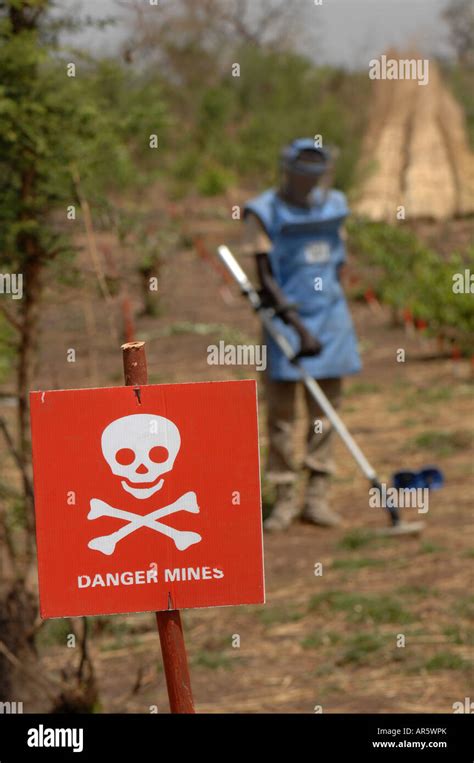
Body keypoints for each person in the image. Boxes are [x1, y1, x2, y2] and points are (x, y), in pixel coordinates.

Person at [241, 137, 361, 532]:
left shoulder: (336, 206)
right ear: (288, 172)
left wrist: (324, 316)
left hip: (330, 319)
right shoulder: (263, 211)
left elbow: (337, 263)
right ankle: (284, 497)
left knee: (324, 415)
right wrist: (298, 327)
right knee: (281, 418)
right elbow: (265, 278)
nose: (309, 185)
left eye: (316, 177)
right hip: (285, 324)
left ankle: (317, 497)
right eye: (302, 176)